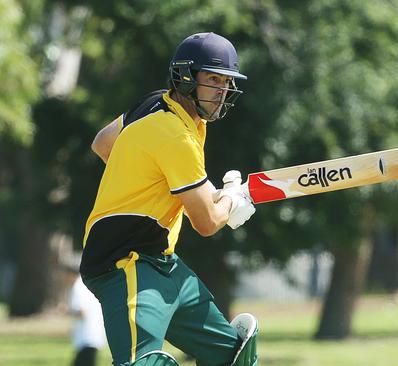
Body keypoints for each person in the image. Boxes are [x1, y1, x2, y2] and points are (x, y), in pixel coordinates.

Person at [80, 32, 259, 366]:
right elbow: (206, 223)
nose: (222, 92)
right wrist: (231, 203)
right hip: (123, 262)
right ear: (187, 77)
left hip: (163, 263)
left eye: (227, 82)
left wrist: (156, 181)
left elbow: (104, 143)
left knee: (233, 356)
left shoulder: (155, 103)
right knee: (143, 363)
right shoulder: (177, 137)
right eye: (213, 80)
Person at [67, 269, 107, 366]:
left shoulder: (78, 287)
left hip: (86, 337)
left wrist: (67, 312)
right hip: (94, 335)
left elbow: (82, 312)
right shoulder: (89, 284)